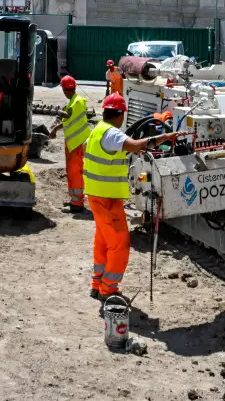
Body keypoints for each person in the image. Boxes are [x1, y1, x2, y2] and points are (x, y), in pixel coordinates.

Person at [84, 93, 177, 299]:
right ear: (119, 115)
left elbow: (118, 150)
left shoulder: (97, 131)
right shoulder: (112, 134)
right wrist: (163, 137)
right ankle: (109, 289)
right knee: (119, 243)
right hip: (107, 200)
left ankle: (97, 283)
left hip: (99, 197)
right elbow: (135, 145)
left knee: (102, 242)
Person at [49, 75, 90, 214]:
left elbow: (69, 116)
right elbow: (69, 118)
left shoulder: (76, 102)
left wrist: (60, 119)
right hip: (74, 143)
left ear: (66, 90)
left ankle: (77, 204)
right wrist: (56, 128)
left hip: (76, 144)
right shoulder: (75, 101)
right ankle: (74, 199)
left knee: (75, 173)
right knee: (72, 173)